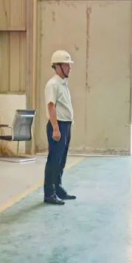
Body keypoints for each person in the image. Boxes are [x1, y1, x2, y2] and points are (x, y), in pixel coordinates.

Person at [44, 49, 76, 205]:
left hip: (65, 125)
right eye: (66, 65)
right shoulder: (53, 84)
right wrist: (56, 129)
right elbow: (51, 106)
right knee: (54, 160)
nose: (69, 68)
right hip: (58, 125)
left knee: (61, 160)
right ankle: (49, 193)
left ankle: (58, 188)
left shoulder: (63, 84)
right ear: (57, 66)